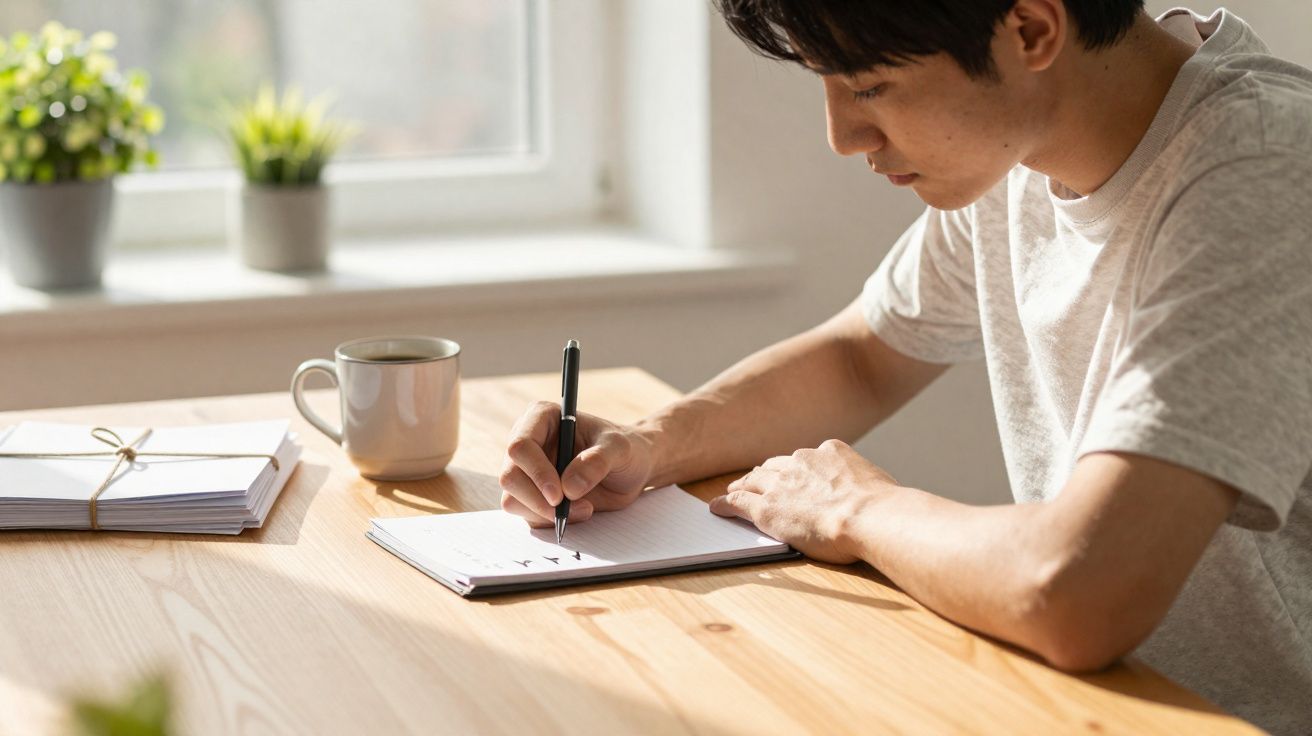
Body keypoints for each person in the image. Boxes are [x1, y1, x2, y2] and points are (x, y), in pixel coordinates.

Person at [498, 1, 1312, 732]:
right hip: (1092, 701)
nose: (843, 136)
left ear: (1031, 29)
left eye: (872, 86)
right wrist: (648, 445)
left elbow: (1077, 592)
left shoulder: (1262, 170)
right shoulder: (1023, 146)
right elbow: (860, 359)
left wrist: (856, 510)